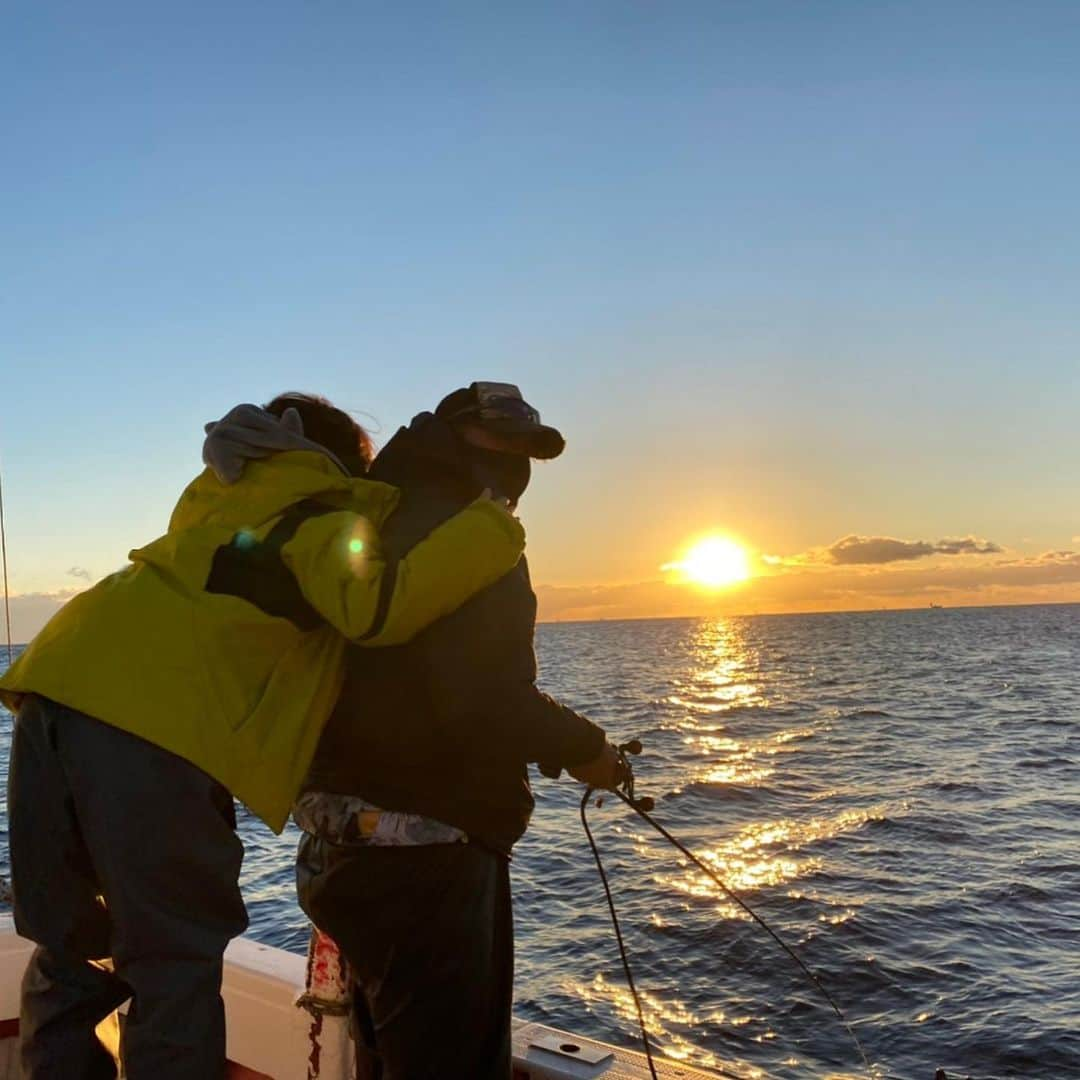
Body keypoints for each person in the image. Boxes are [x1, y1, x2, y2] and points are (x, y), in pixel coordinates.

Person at [0, 392, 526, 1080]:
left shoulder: (222, 494)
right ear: (338, 461)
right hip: (149, 725)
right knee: (171, 965)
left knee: (71, 952)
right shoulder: (319, 503)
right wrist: (493, 527)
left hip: (53, 686)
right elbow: (376, 608)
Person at [294, 382, 623, 1080]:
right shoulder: (475, 538)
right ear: (457, 442)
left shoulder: (368, 520)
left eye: (528, 449)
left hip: (335, 848)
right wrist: (589, 750)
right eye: (503, 443)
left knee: (386, 1057)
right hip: (429, 858)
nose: (516, 463)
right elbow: (488, 698)